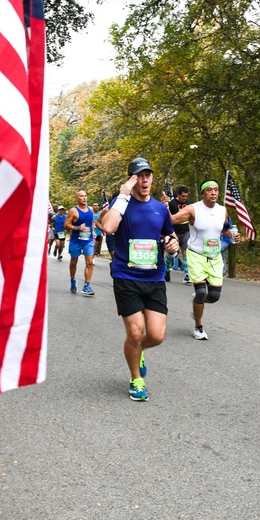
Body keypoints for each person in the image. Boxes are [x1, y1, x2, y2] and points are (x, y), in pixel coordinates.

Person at [100, 158, 179, 402]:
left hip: (154, 277)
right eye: (138, 176)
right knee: (135, 333)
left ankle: (139, 351)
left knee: (155, 336)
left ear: (152, 178)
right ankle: (136, 379)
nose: (144, 180)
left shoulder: (159, 208)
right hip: (126, 275)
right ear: (131, 179)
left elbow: (169, 233)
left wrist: (173, 244)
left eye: (147, 175)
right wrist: (123, 196)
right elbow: (109, 227)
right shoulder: (121, 203)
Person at [170, 180, 227, 340]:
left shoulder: (222, 210)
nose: (214, 192)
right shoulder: (192, 209)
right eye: (209, 190)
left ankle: (197, 303)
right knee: (201, 292)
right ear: (203, 193)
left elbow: (226, 228)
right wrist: (165, 207)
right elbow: (173, 220)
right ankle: (198, 326)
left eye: (216, 189)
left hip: (214, 257)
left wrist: (232, 235)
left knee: (214, 296)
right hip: (196, 255)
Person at [64, 191, 96, 296]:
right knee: (74, 262)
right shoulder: (73, 211)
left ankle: (87, 286)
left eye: (85, 196)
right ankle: (73, 280)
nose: (84, 198)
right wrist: (77, 227)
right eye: (81, 196)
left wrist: (93, 230)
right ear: (77, 198)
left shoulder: (91, 209)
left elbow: (91, 222)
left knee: (90, 262)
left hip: (88, 240)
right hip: (76, 241)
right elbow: (66, 224)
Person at [168, 186, 191, 282]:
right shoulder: (172, 203)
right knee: (173, 253)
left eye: (186, 196)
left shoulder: (189, 204)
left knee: (186, 252)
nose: (184, 198)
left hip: (186, 231)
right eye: (183, 196)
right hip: (175, 231)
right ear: (178, 195)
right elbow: (169, 217)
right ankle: (166, 269)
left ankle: (187, 274)